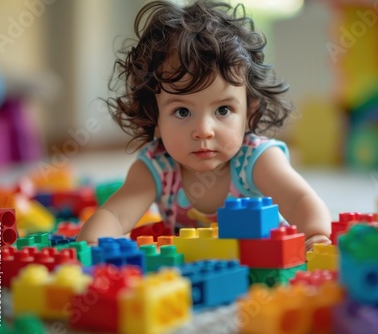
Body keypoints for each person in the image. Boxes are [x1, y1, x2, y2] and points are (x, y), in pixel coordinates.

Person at [77, 0, 331, 251]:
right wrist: (90, 243)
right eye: (182, 111)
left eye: (223, 110)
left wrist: (315, 236)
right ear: (154, 117)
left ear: (249, 113)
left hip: (257, 264)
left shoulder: (256, 159)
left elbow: (299, 200)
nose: (203, 130)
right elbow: (116, 215)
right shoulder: (156, 167)